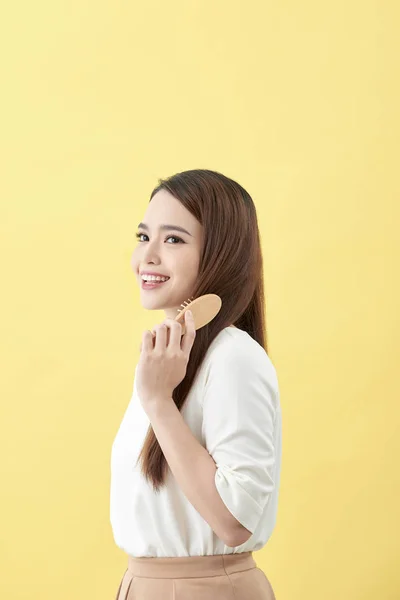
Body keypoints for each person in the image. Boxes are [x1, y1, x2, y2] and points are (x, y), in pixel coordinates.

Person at [110, 169, 281, 599]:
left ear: (220, 255)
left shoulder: (233, 357)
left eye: (173, 239)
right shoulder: (167, 362)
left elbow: (233, 521)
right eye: (143, 236)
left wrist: (159, 402)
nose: (147, 256)